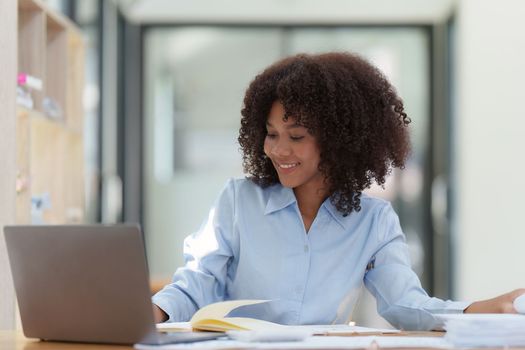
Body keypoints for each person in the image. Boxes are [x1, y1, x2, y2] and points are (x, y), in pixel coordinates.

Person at [151, 52, 524, 330]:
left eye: (296, 136)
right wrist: (149, 313)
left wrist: (475, 311)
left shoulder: (373, 222)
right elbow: (195, 282)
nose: (278, 150)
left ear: (336, 141)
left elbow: (405, 305)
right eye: (271, 133)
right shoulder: (237, 201)